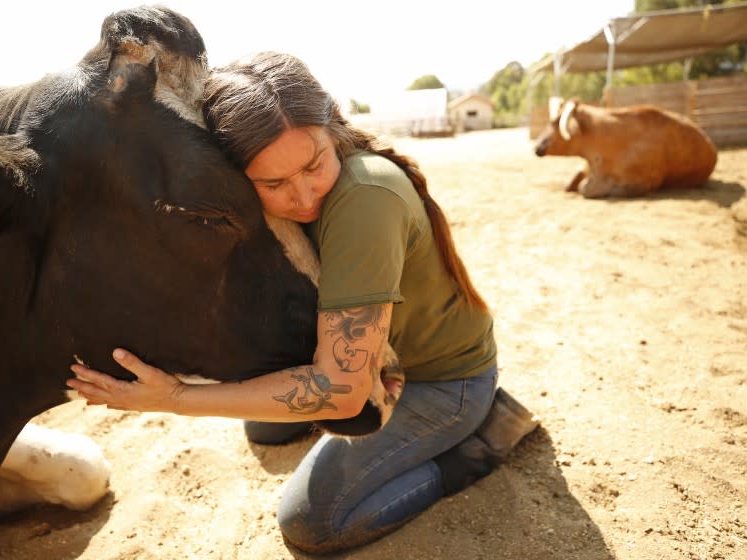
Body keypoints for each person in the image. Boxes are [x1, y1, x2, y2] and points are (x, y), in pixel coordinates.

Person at [67, 51, 538, 554]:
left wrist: (176, 398)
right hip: (376, 364)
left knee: (313, 522)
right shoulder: (266, 192)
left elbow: (339, 391)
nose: (304, 195)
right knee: (265, 425)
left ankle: (483, 437)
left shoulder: (364, 199)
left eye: (314, 164)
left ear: (331, 122)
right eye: (272, 184)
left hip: (442, 381)